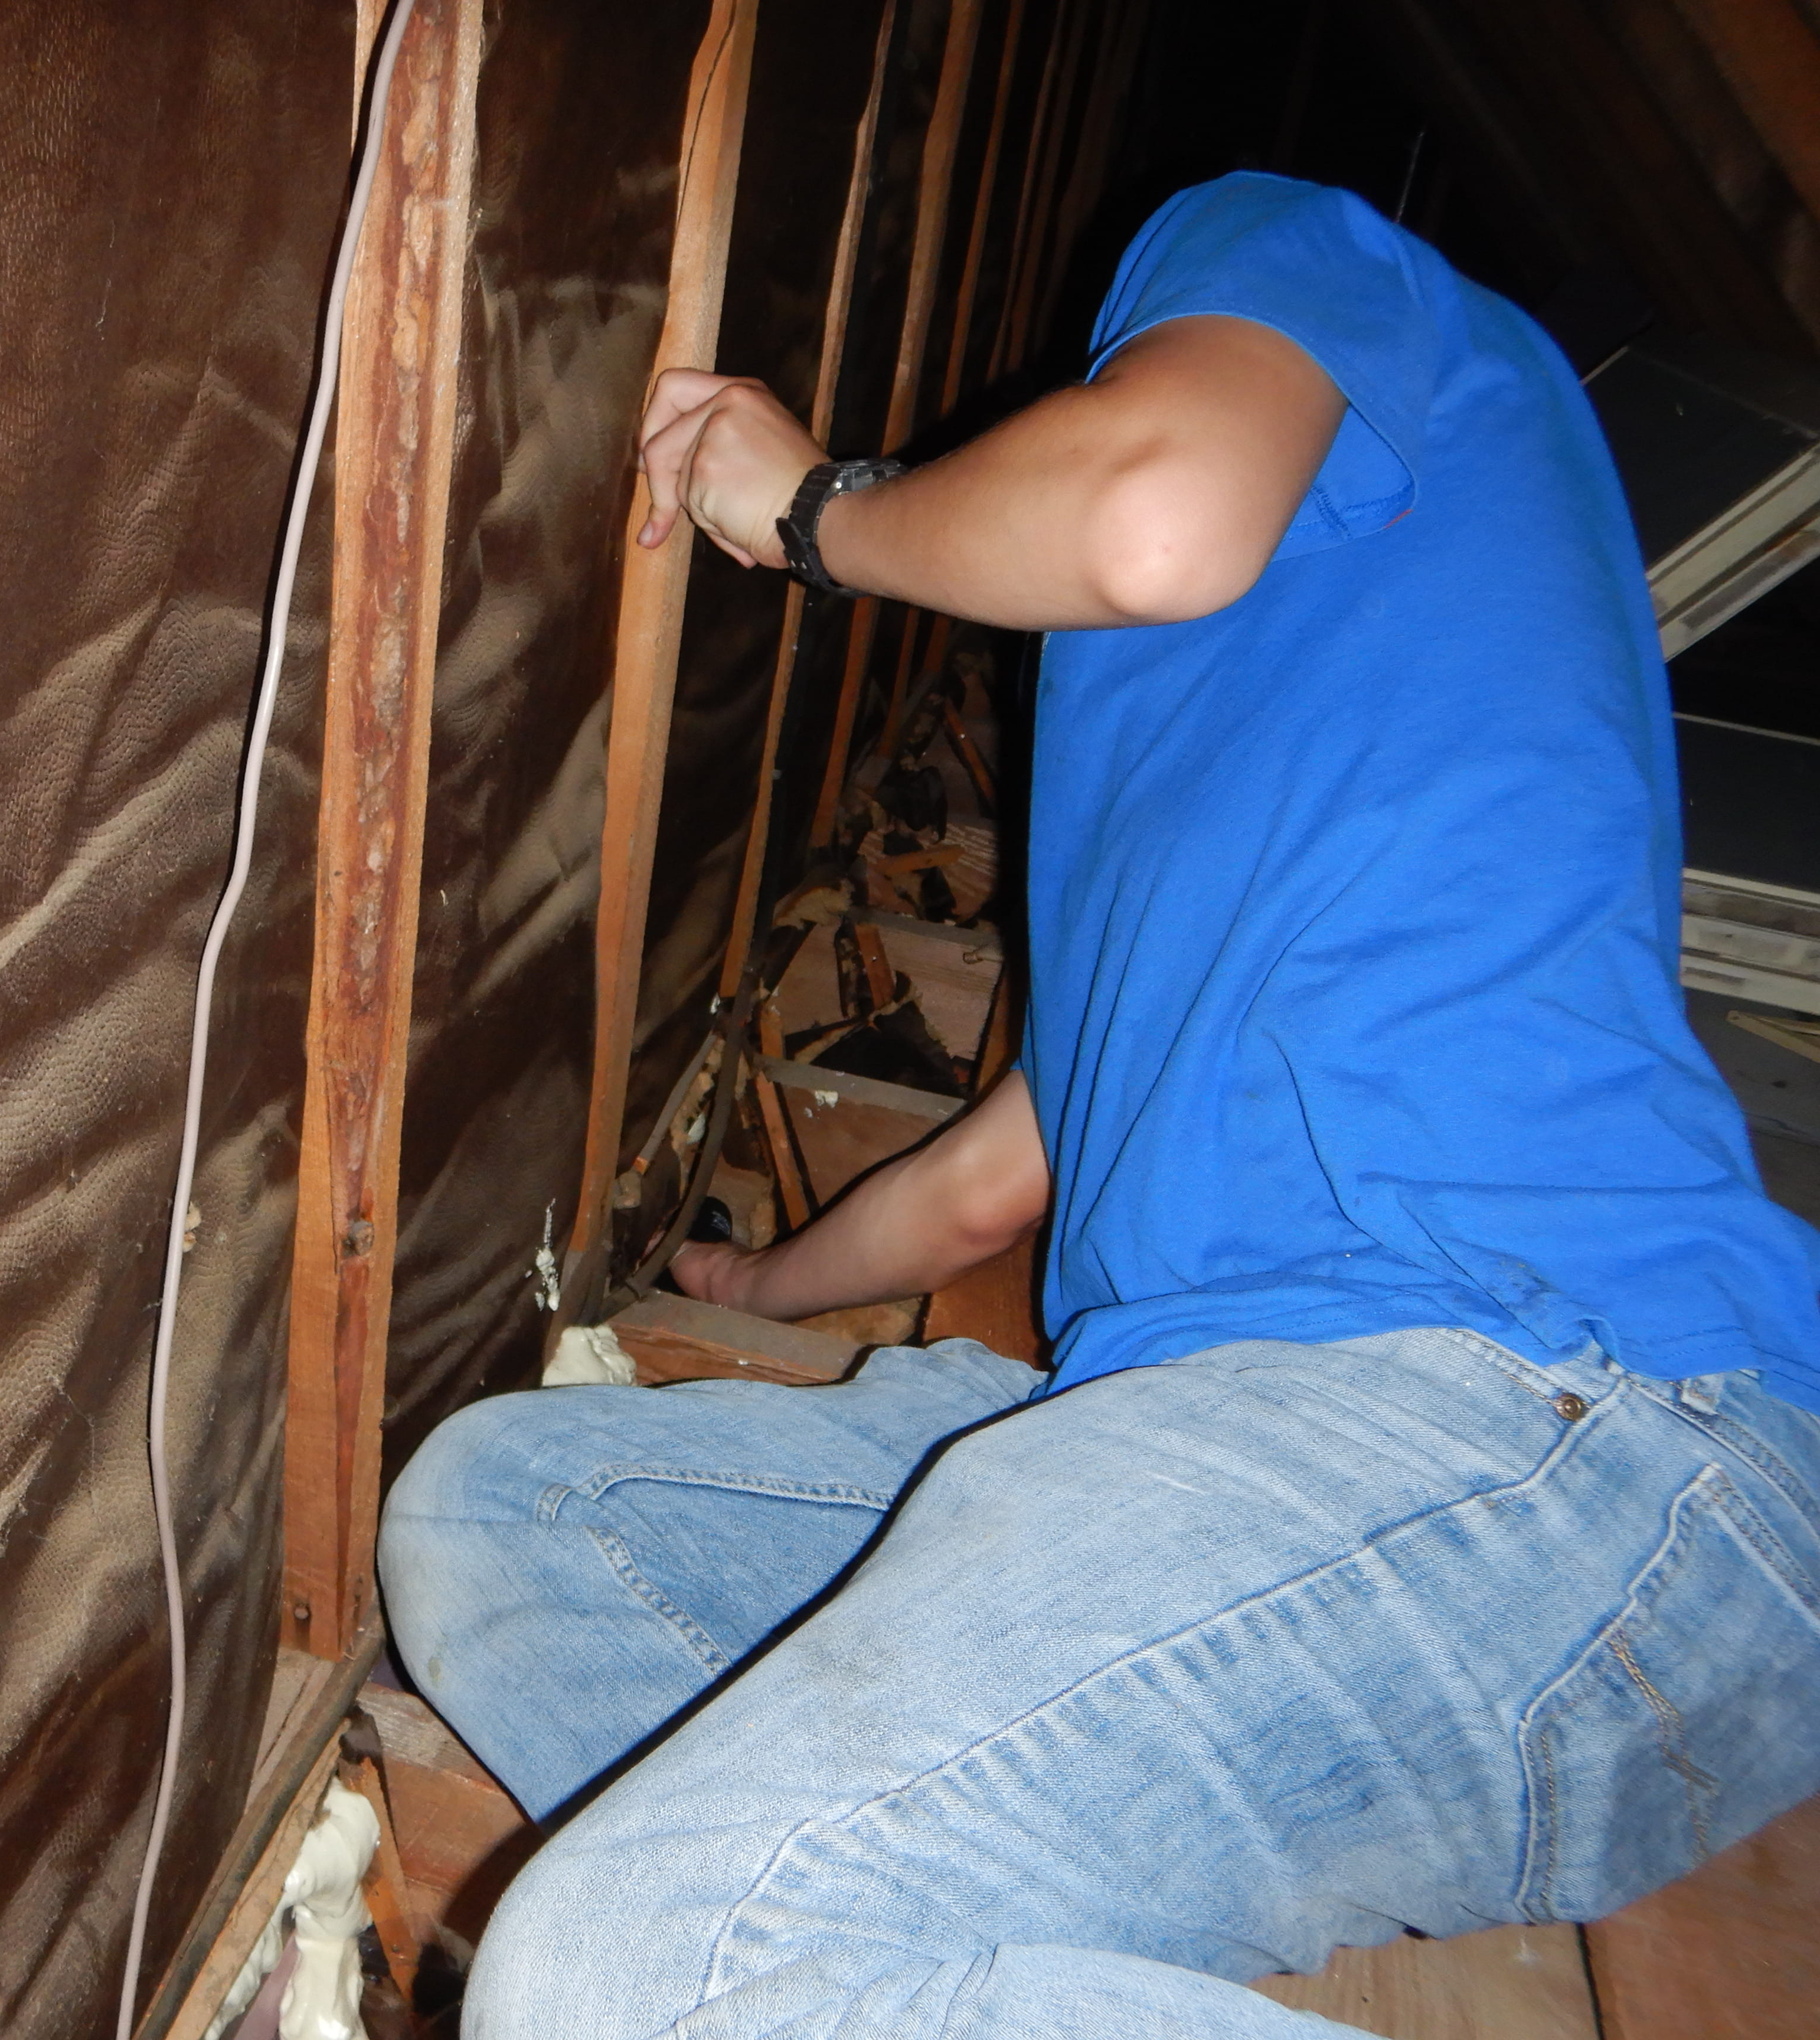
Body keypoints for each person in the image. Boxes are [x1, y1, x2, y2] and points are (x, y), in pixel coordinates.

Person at [375, 172, 1820, 2038]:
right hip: (1294, 1479)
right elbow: (999, 1177)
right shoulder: (1234, 789)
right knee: (509, 1517)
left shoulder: (1302, 248)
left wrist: (816, 510)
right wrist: (756, 1296)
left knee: (639, 1973)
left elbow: (1151, 516)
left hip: (1559, 1431)